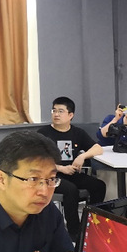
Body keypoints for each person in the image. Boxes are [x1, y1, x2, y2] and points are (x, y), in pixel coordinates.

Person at [38, 96, 107, 240]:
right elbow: (37, 159)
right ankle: (74, 232)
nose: (56, 114)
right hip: (51, 175)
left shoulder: (78, 133)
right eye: (54, 110)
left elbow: (98, 148)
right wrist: (60, 168)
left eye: (60, 111)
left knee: (99, 185)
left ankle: (91, 224)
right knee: (71, 190)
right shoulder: (43, 134)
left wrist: (82, 156)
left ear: (70, 115)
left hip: (72, 173)